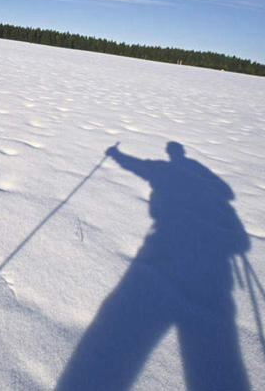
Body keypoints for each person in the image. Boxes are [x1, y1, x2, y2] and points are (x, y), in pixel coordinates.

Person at [57, 142, 250, 391]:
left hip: (165, 245)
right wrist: (118, 155)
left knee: (119, 325)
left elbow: (137, 166)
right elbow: (228, 205)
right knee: (213, 345)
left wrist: (116, 155)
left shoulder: (163, 170)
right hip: (211, 264)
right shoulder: (203, 181)